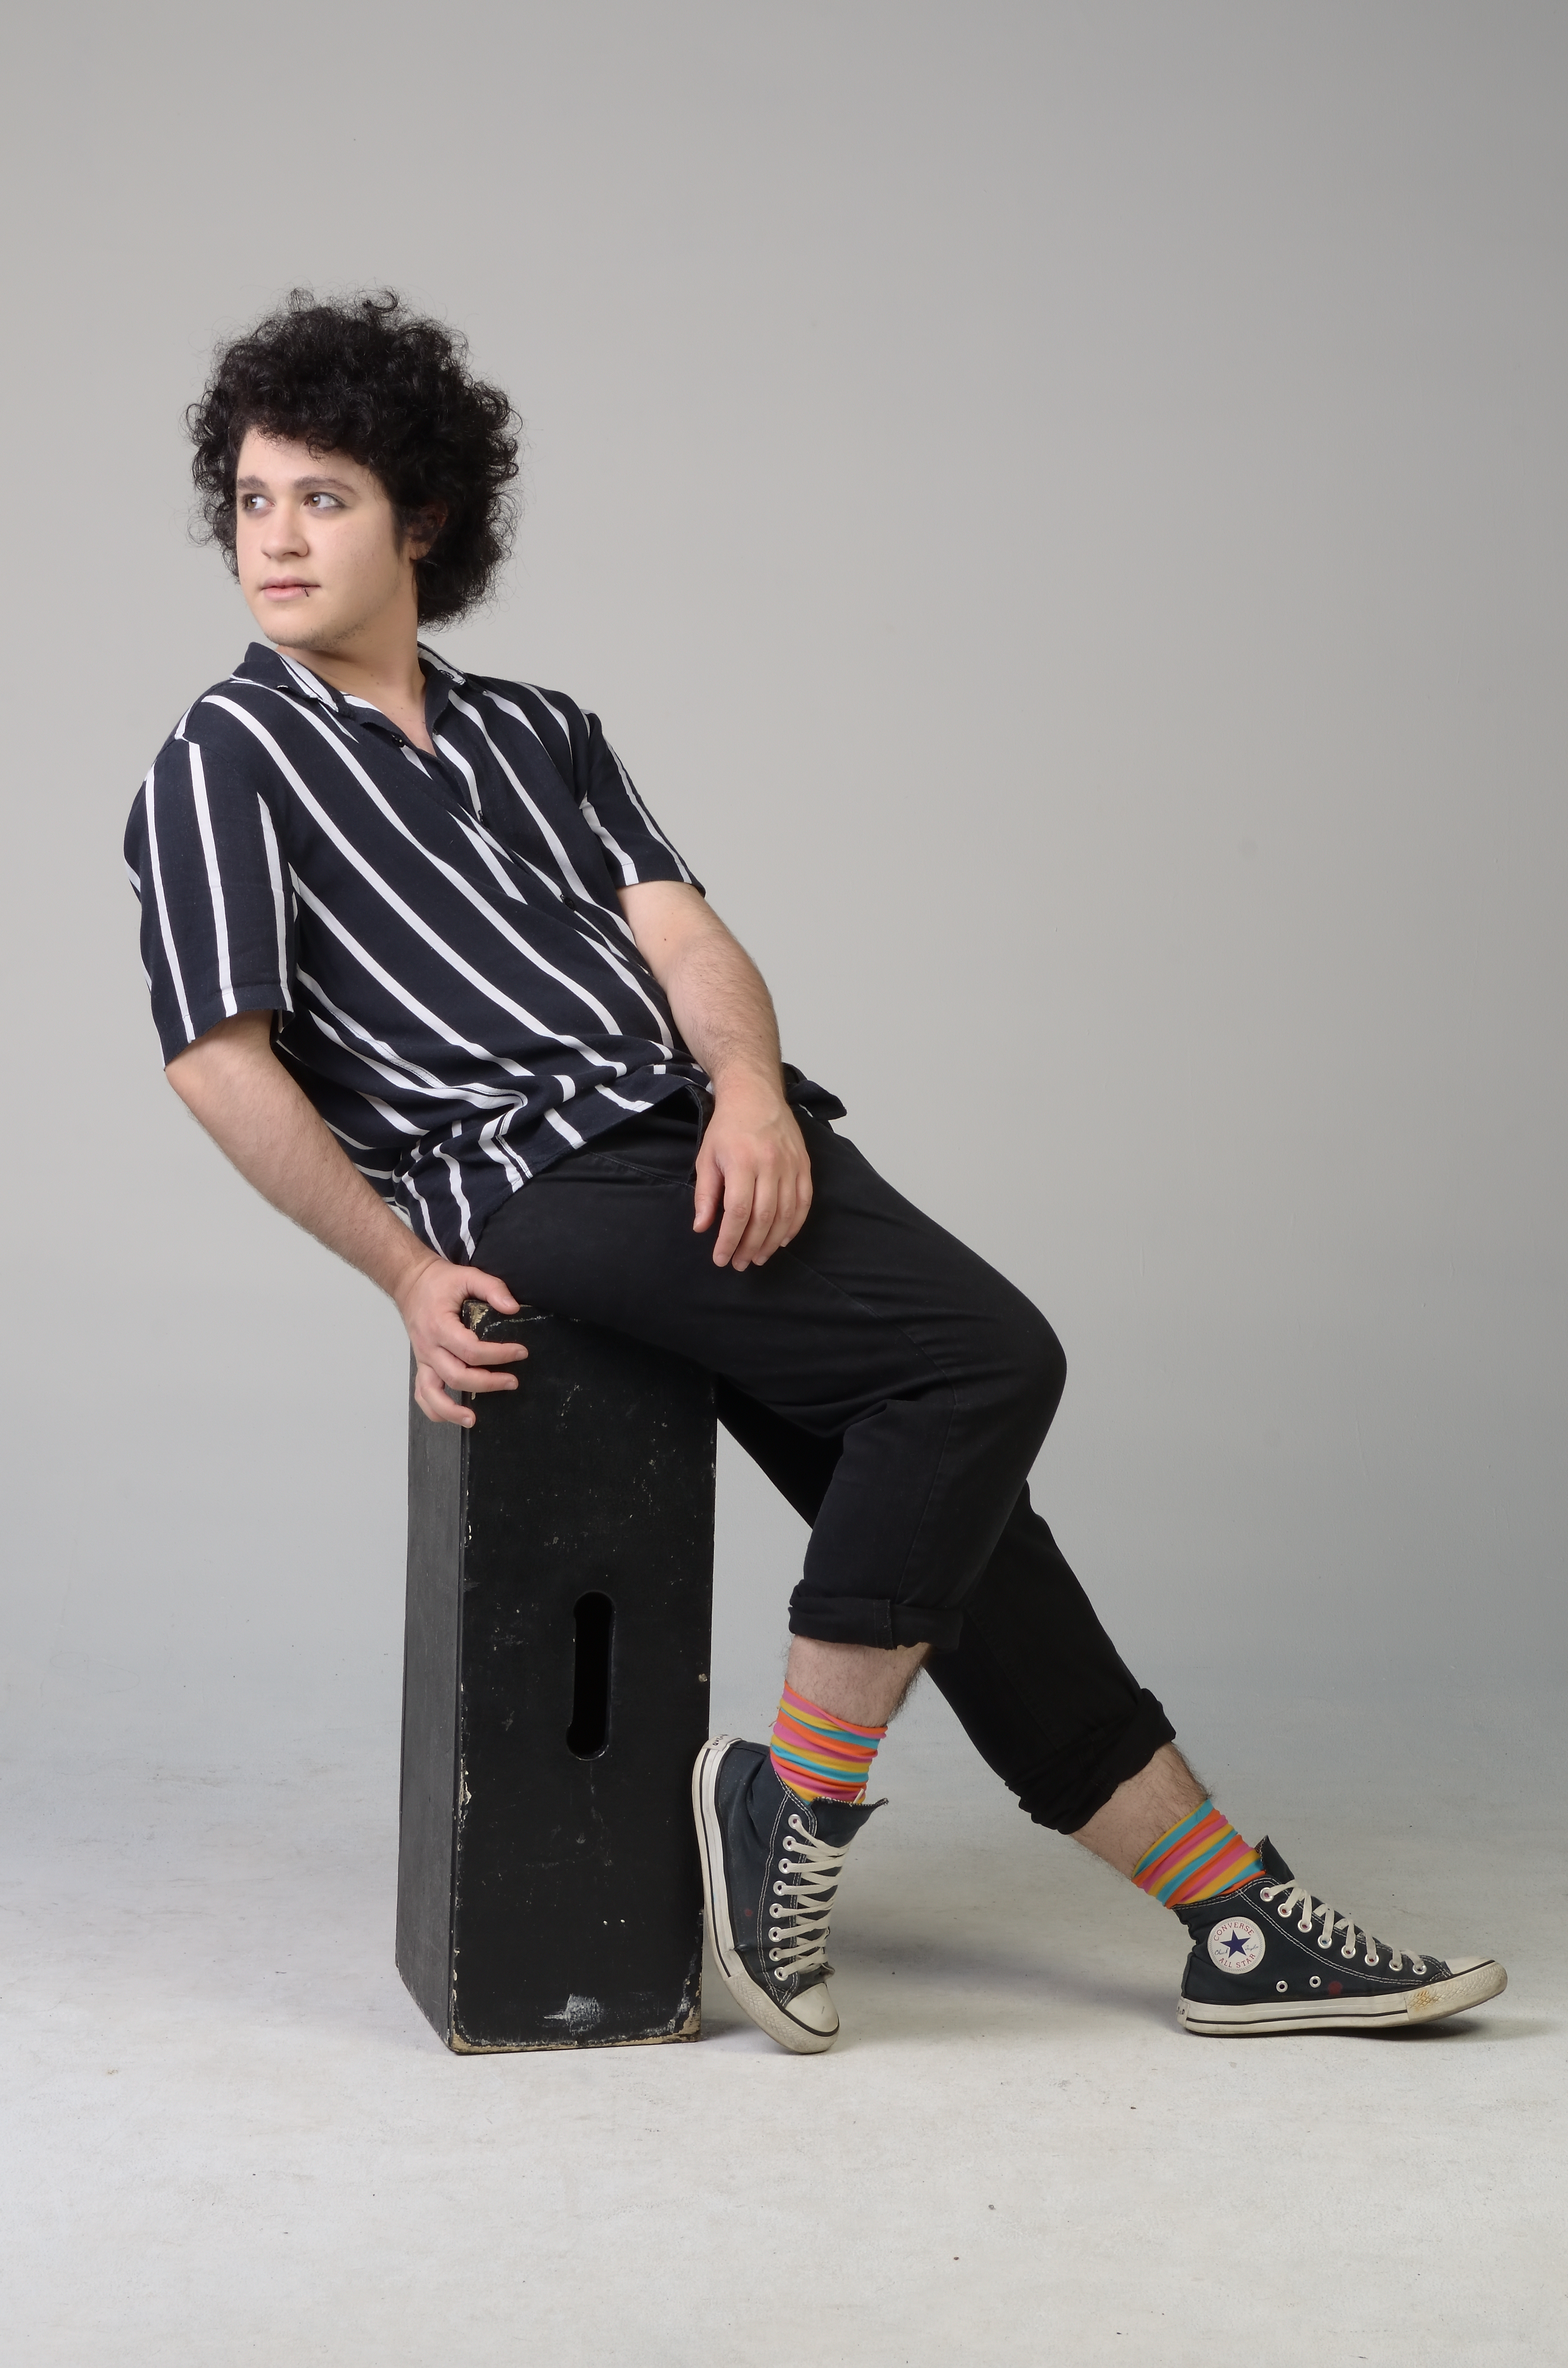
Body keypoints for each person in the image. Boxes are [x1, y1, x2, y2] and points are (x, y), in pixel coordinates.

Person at [126, 289, 1505, 2056]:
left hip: (699, 1143)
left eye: (322, 496)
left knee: (964, 1521)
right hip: (539, 1177)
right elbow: (216, 1060)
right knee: (983, 1361)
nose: (279, 537)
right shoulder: (222, 756)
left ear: (426, 518)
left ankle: (1229, 1918)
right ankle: (795, 1806)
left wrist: (756, 1098)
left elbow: (686, 937)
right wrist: (405, 1271)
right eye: (252, 499)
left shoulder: (540, 731)